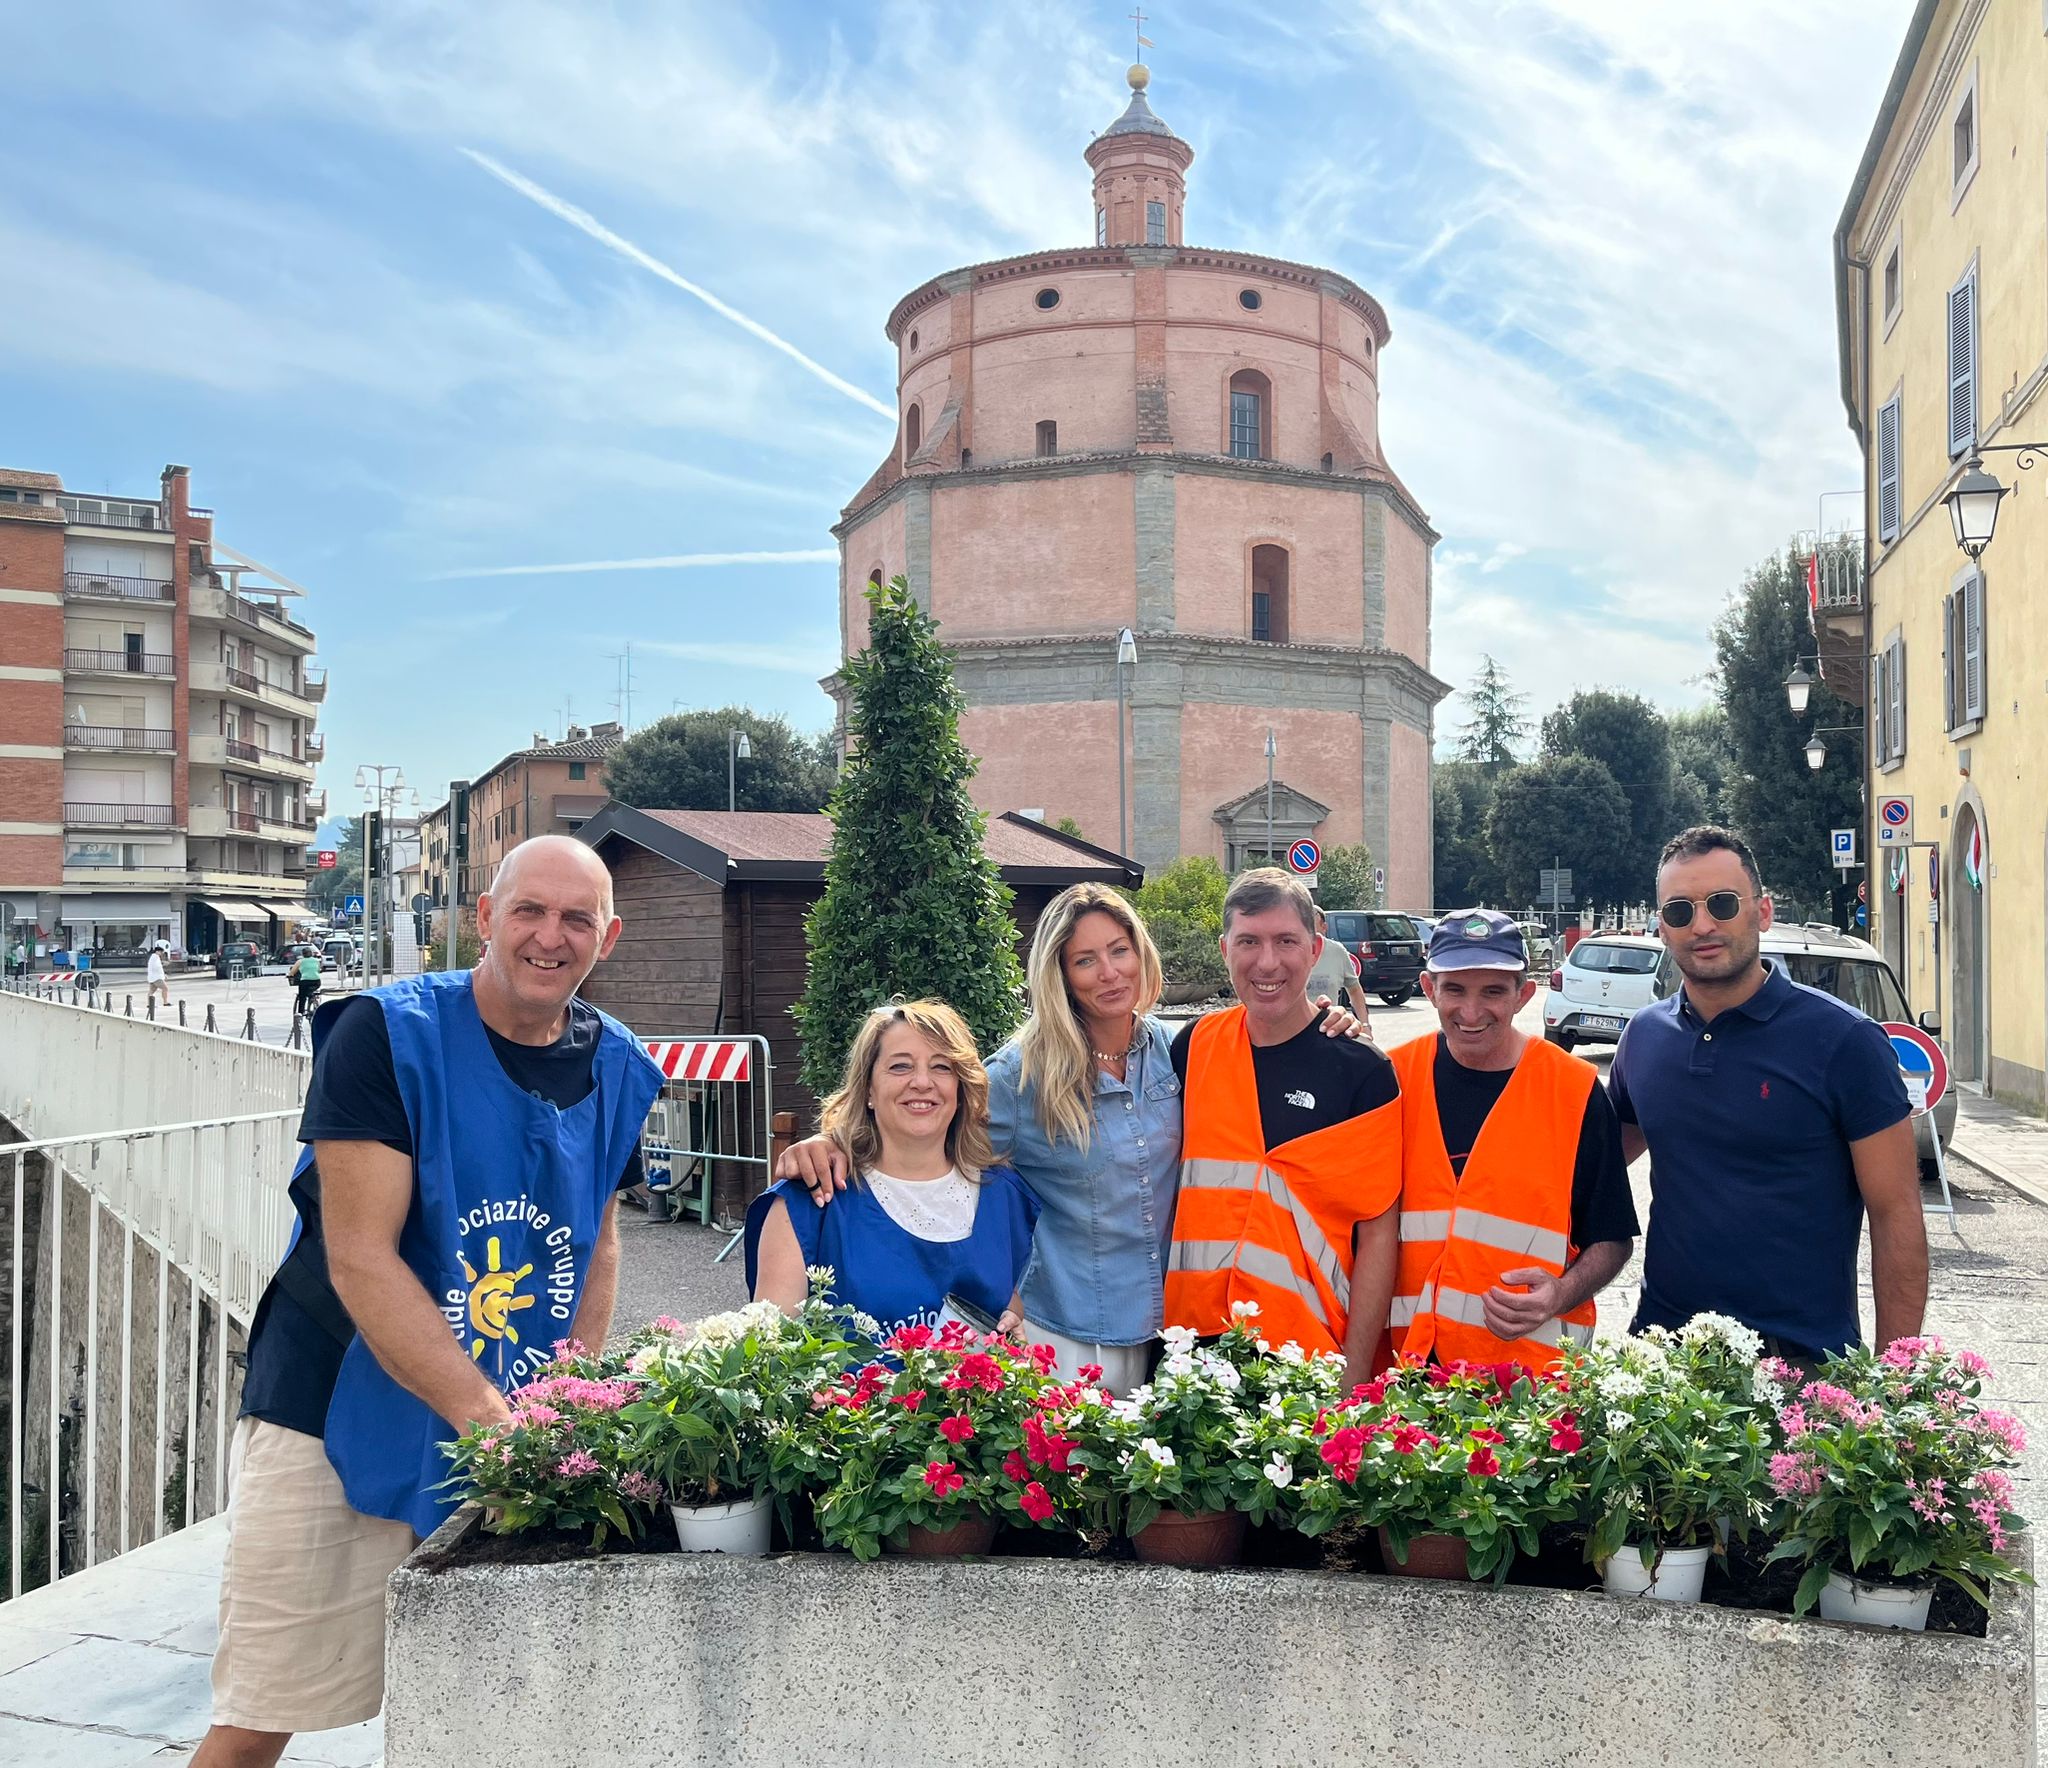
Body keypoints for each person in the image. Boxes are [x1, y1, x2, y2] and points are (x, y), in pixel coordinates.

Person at [194, 836, 662, 1768]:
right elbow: (361, 1257)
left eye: (577, 919)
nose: (550, 936)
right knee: (261, 1715)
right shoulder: (386, 1034)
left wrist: (565, 1402)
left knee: (492, 1718)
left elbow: (598, 1239)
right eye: (528, 911)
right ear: (484, 918)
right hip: (335, 1406)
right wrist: (503, 1432)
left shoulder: (619, 1065)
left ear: (607, 939)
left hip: (507, 1414)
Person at [771, 885, 1368, 1390]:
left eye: (1119, 950)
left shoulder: (1179, 1050)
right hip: (1069, 1336)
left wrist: (1327, 1027)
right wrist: (835, 1142)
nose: (1109, 972)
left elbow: (1273, 1055)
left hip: (1175, 1334)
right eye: (1085, 960)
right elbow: (926, 1122)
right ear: (1059, 974)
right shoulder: (1021, 1075)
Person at [1610, 825, 1926, 1364]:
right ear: (1662, 928)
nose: (1702, 925)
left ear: (1762, 912)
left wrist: (1895, 1378)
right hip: (1663, 1358)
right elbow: (1589, 1167)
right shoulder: (1644, 1037)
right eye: (1680, 911)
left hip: (1798, 1365)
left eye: (1723, 903)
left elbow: (1896, 1214)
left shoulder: (1845, 1041)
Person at [1166, 867, 1401, 1385]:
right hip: (1191, 1351)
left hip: (1309, 1355)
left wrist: (1354, 1375)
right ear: (1225, 949)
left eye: (1286, 941)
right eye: (1248, 941)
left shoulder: (1361, 1070)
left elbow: (1379, 1237)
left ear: (1315, 950)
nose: (1267, 962)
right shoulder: (1193, 1047)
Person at [1383, 910, 1637, 1373]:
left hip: (1528, 1386)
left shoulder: (1574, 1091)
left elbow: (1612, 1239)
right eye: (1455, 989)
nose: (1471, 1012)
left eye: (1493, 991)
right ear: (1428, 989)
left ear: (1523, 995)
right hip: (1404, 1371)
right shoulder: (1393, 1079)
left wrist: (1561, 1294)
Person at [746, 999, 1037, 1339]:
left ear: (961, 1088)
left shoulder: (1003, 1194)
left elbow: (1007, 1302)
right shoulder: (810, 1200)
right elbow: (769, 1351)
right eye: (900, 1066)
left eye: (942, 1067)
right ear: (868, 1089)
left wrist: (1011, 1323)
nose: (922, 1082)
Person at [1308, 905, 1369, 1032]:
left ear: (1324, 927)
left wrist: (1365, 1025)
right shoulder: (1288, 952)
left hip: (1328, 1030)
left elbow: (1355, 990)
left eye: (1312, 925)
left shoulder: (1337, 951)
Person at [291, 945, 323, 1018]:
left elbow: (292, 972)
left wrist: (289, 975)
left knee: (302, 997)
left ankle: (300, 1013)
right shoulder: (316, 961)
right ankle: (312, 998)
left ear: (303, 954)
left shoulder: (300, 961)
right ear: (311, 953)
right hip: (317, 982)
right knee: (311, 992)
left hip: (305, 982)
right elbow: (319, 970)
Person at [146, 940, 172, 1008]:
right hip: (156, 978)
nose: (161, 953)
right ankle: (165, 1002)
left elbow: (158, 967)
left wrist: (163, 973)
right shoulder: (155, 957)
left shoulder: (154, 957)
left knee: (152, 991)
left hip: (153, 977)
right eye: (161, 952)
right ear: (157, 951)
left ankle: (149, 1004)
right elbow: (157, 968)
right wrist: (163, 964)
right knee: (165, 988)